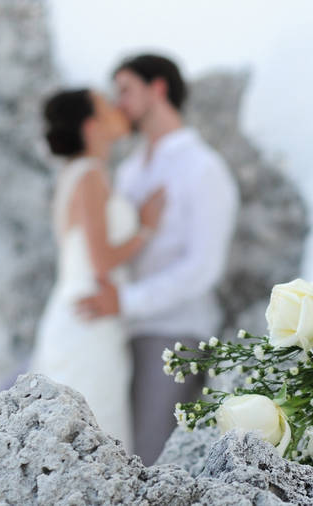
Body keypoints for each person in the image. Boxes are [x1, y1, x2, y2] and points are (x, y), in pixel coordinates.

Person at [76, 54, 240, 465]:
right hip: (119, 329)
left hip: (174, 333)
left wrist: (128, 301)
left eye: (127, 89)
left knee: (150, 457)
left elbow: (204, 267)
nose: (119, 102)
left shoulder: (203, 169)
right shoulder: (131, 170)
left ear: (159, 88)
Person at [30, 89, 166, 452]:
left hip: (89, 309)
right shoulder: (89, 175)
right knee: (97, 424)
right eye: (108, 106)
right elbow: (101, 259)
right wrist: (146, 229)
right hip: (88, 314)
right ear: (92, 126)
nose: (118, 109)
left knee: (94, 426)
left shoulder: (86, 174)